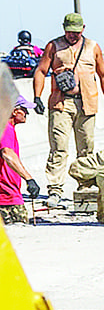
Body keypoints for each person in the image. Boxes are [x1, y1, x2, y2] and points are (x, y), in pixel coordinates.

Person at [32, 13, 104, 209]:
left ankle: (84, 187)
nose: (73, 36)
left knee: (86, 147)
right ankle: (55, 190)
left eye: (76, 32)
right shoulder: (54, 46)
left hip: (87, 103)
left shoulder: (92, 47)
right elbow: (41, 71)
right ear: (64, 29)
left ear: (83, 29)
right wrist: (37, 96)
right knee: (58, 147)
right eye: (69, 32)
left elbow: (103, 75)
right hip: (61, 104)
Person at [0, 95, 41, 225]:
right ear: (13, 111)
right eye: (24, 109)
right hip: (6, 197)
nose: (27, 113)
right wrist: (29, 179)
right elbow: (7, 153)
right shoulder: (5, 129)